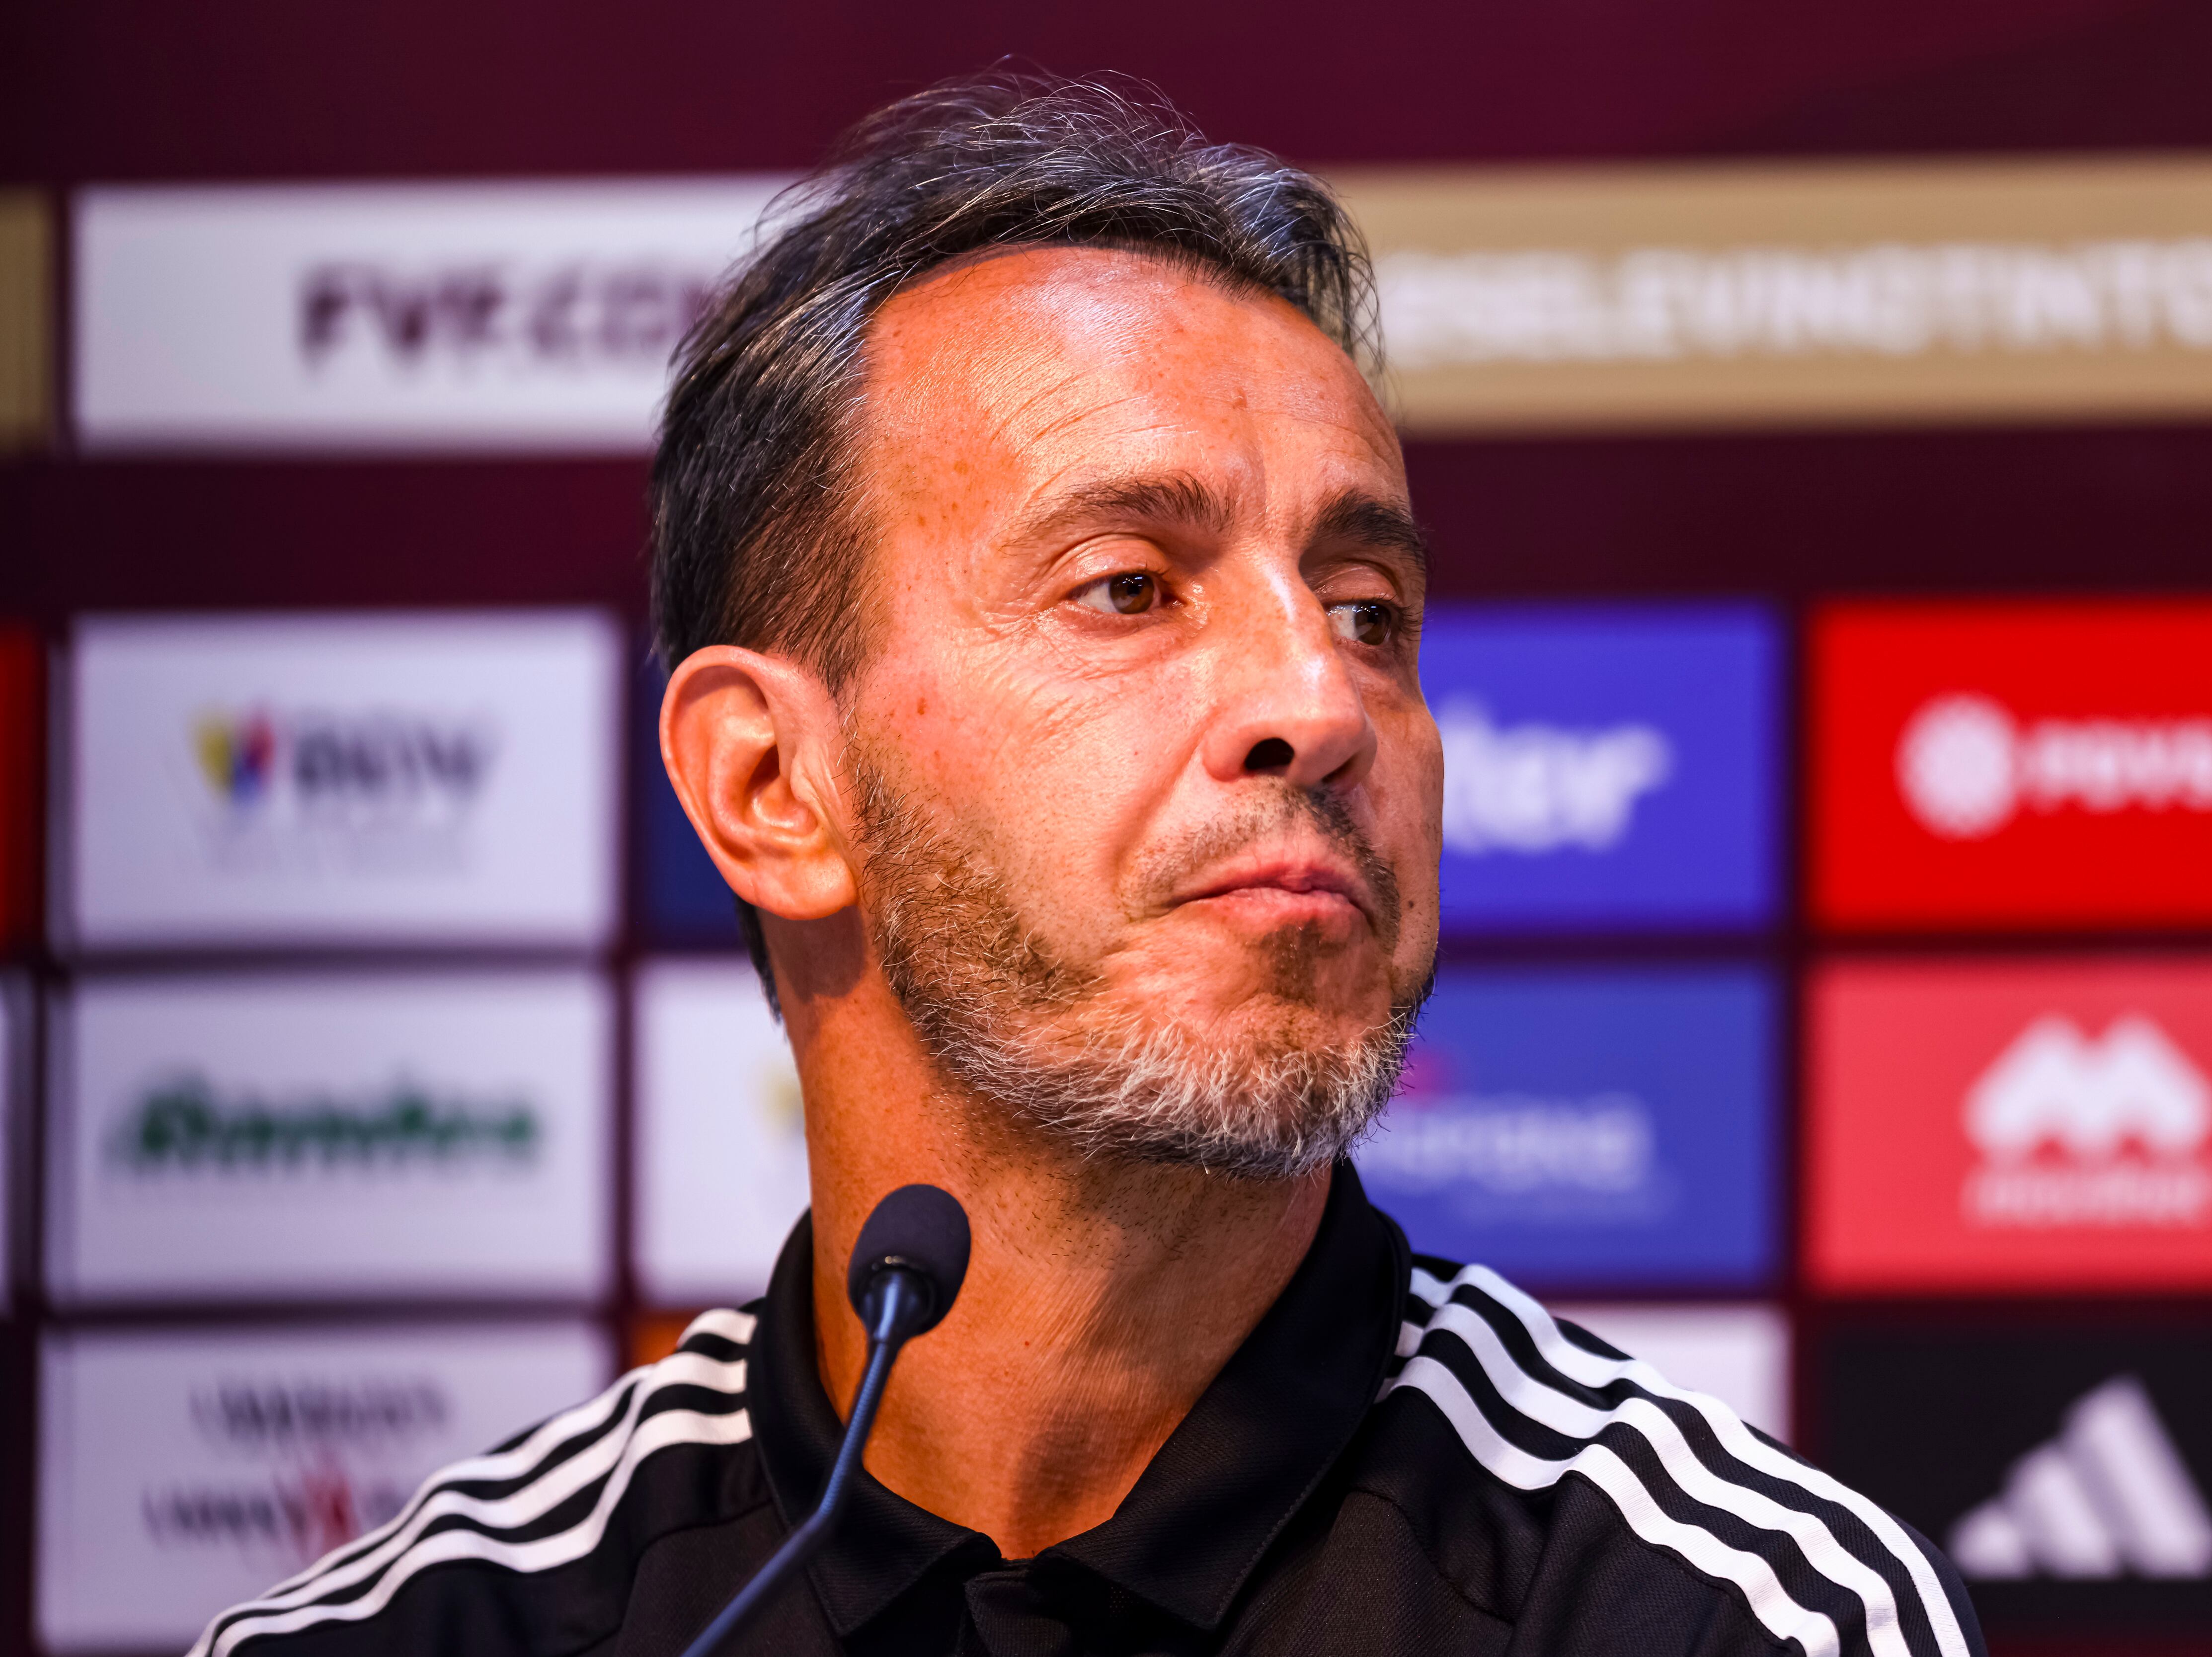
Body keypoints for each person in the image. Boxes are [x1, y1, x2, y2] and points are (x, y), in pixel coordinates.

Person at [188, 78, 1985, 1657]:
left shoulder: (1726, 1622)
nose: (1319, 700)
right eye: (1129, 587)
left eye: (1372, 612)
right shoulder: (427, 1632)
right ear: (769, 787)